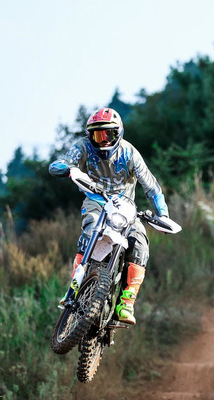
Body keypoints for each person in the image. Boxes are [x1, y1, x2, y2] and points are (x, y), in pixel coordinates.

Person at [48, 107, 169, 324]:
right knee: (89, 230)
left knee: (140, 244)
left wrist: (163, 214)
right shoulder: (83, 147)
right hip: (95, 201)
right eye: (97, 135)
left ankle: (127, 302)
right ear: (89, 136)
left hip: (126, 208)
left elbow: (152, 187)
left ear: (119, 133)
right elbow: (64, 161)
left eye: (108, 134)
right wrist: (66, 169)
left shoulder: (130, 153)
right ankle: (74, 288)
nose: (103, 141)